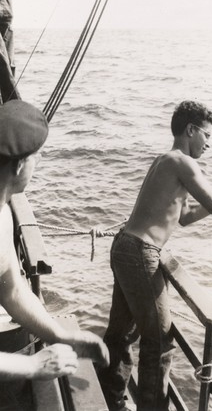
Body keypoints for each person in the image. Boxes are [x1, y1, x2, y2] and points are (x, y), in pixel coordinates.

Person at [98, 100, 212, 411]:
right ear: (191, 130)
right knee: (159, 342)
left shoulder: (166, 161)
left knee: (123, 333)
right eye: (207, 136)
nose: (209, 143)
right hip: (140, 253)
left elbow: (185, 215)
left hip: (125, 247)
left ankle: (111, 399)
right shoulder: (183, 162)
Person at [0, 99, 110, 384]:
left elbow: (11, 290)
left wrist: (60, 335)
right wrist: (31, 366)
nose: (40, 163)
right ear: (20, 165)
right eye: (38, 156)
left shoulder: (3, 211)